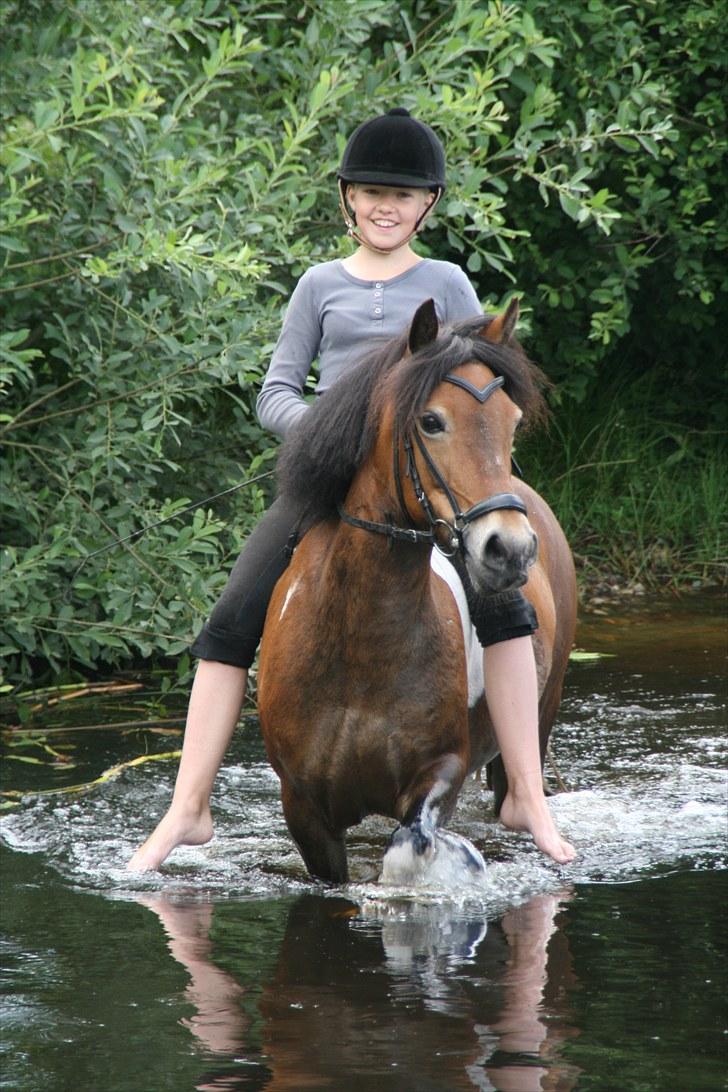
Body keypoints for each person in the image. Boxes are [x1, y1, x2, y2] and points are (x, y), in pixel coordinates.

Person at [128, 108, 576, 872]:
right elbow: (274, 391)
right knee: (232, 618)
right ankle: (189, 807)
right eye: (371, 192)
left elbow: (471, 386)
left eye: (401, 197)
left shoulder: (446, 282)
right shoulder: (318, 285)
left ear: (427, 204)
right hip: (331, 483)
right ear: (347, 198)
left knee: (506, 609)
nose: (385, 207)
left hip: (430, 483)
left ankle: (525, 794)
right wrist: (331, 433)